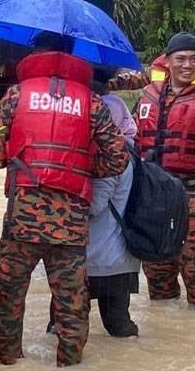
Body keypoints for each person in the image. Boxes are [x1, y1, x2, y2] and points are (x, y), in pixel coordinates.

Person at [0, 33, 128, 366]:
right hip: (71, 222)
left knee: (9, 293)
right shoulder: (91, 101)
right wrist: (80, 167)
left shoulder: (16, 96)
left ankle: (8, 360)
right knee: (72, 302)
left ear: (35, 53)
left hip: (23, 218)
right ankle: (69, 361)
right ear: (72, 56)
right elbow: (118, 158)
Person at [133, 32, 195, 309]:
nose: (187, 65)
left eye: (194, 59)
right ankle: (167, 328)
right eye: (180, 59)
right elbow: (132, 138)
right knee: (156, 264)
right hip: (152, 192)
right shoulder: (148, 95)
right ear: (167, 61)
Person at [49, 68, 141, 338]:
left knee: (63, 326)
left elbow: (95, 205)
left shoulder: (113, 155)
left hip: (99, 260)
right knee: (119, 329)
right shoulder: (129, 148)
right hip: (116, 260)